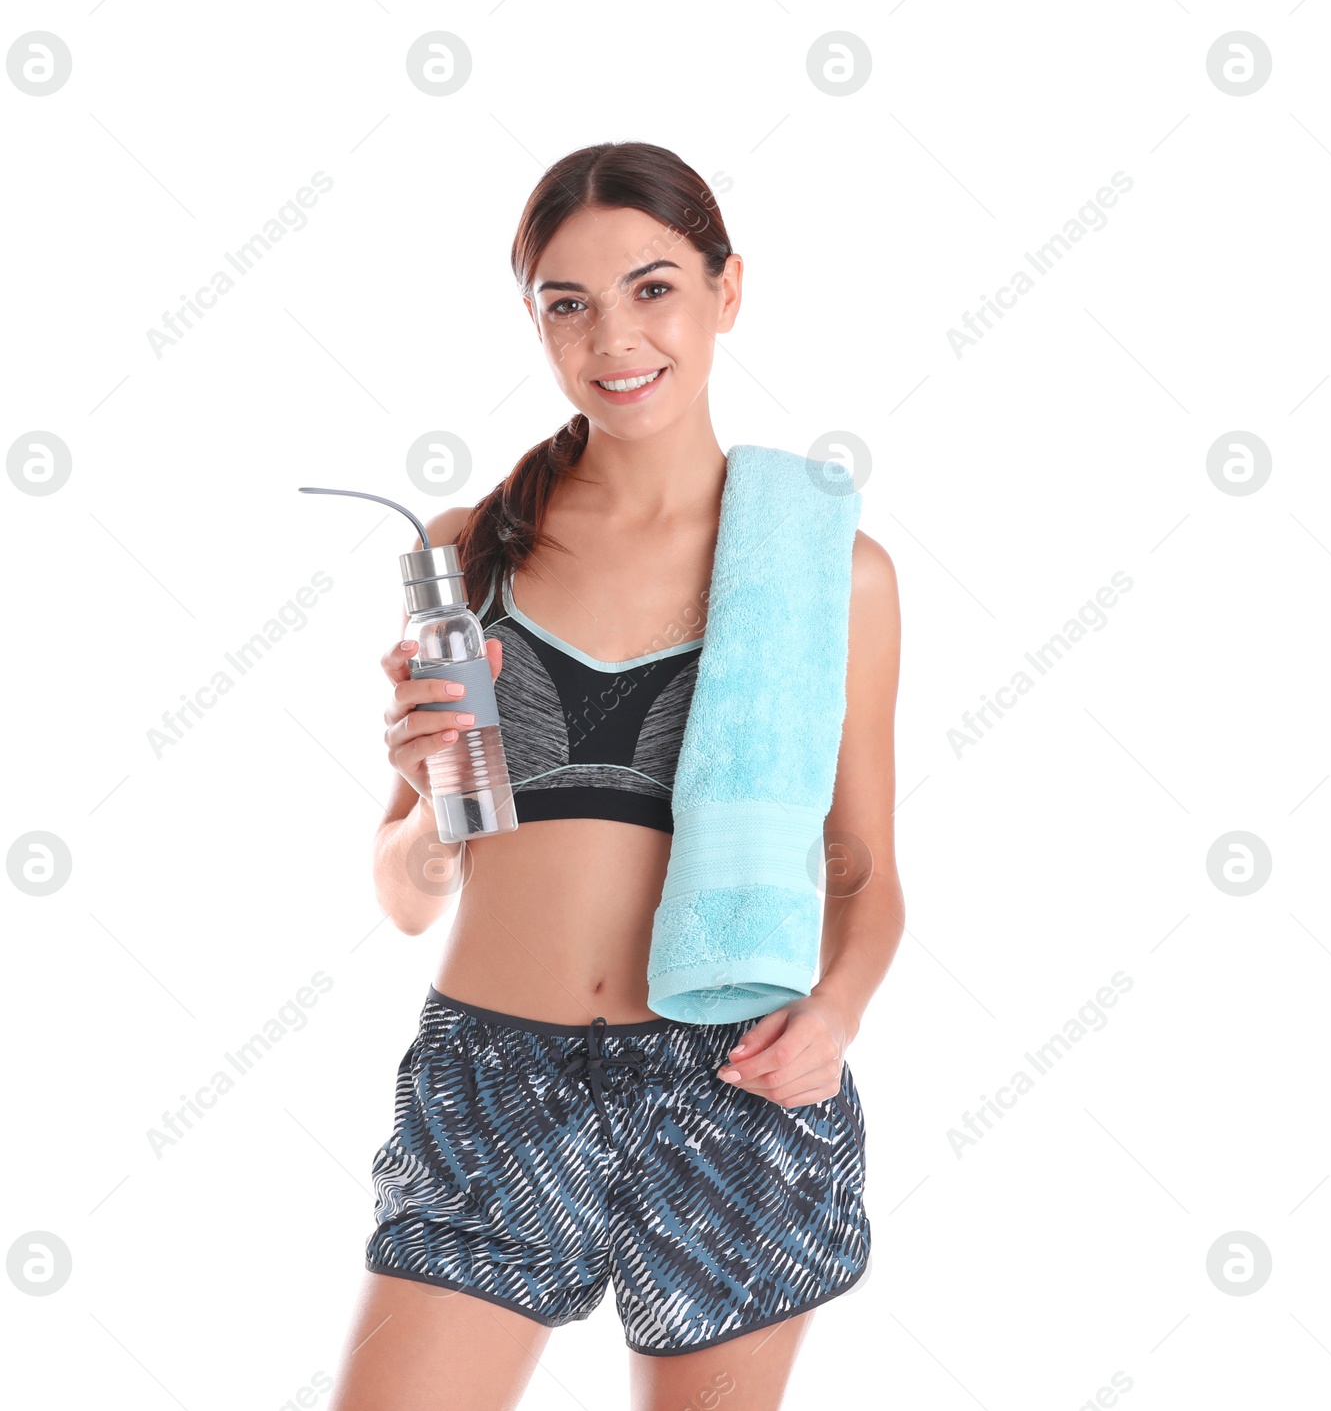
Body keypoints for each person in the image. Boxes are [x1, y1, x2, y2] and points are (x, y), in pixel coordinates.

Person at [326, 141, 903, 1411]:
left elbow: (864, 872)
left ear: (725, 291)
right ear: (533, 317)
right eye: (567, 303)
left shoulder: (826, 570)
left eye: (653, 289)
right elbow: (409, 892)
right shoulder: (465, 547)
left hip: (731, 1087)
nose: (614, 337)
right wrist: (426, 797)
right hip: (489, 1080)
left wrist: (836, 1014)